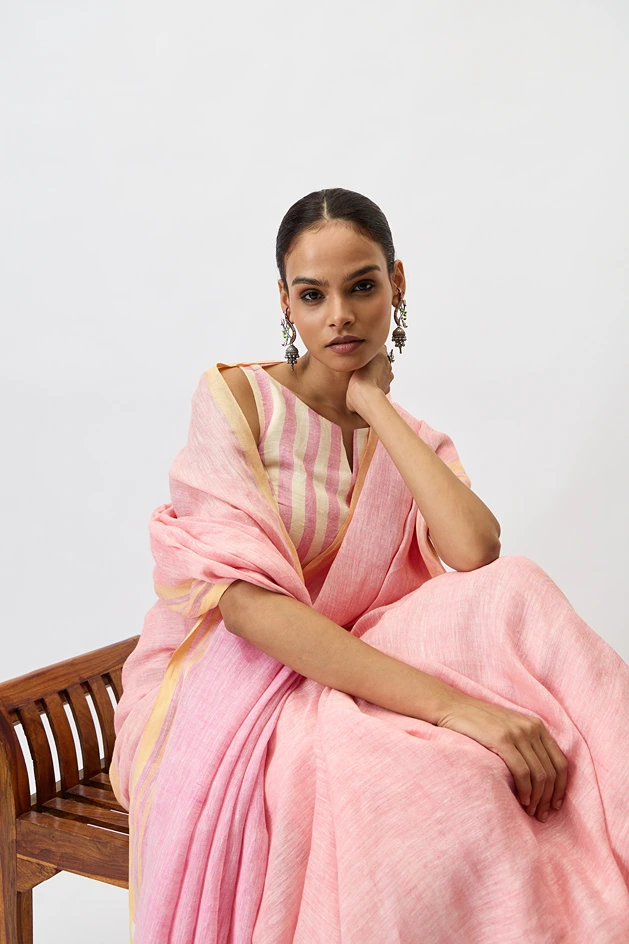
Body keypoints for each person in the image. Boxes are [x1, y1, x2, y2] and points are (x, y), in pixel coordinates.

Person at [110, 188, 629, 943]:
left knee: (516, 588)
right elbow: (248, 610)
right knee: (450, 788)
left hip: (360, 663)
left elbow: (475, 552)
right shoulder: (241, 402)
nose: (339, 316)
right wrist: (456, 710)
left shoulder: (411, 439)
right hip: (239, 682)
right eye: (312, 295)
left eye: (361, 287)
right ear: (285, 302)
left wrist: (373, 406)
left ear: (396, 284)